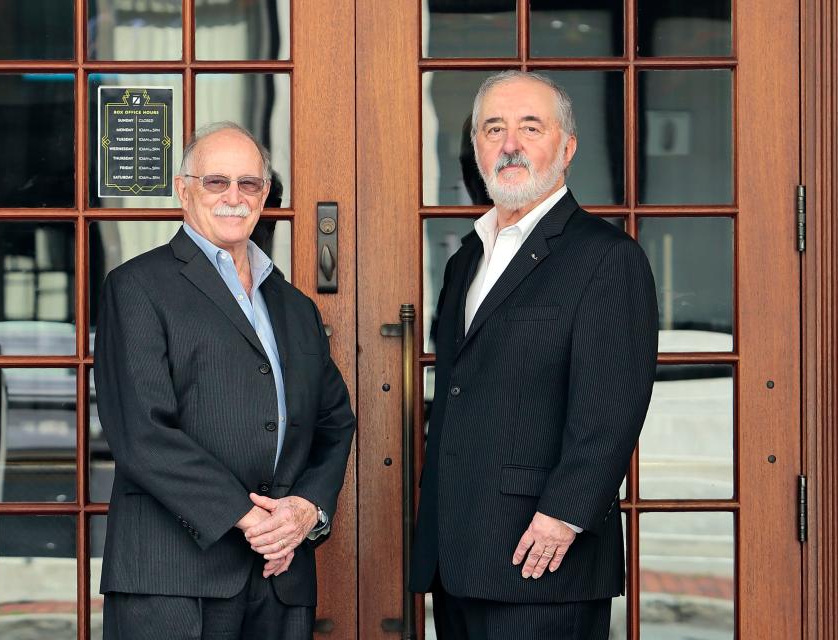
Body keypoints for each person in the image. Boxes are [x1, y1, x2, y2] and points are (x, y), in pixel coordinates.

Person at [409, 71, 659, 639]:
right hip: (458, 559)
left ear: (567, 148)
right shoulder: (464, 261)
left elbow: (611, 408)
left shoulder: (606, 258)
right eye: (493, 129)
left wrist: (563, 517)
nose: (510, 143)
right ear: (475, 148)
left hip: (544, 559)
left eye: (530, 127)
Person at [94, 121, 355, 639]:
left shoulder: (294, 305)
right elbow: (142, 434)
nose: (233, 197)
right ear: (183, 189)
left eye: (249, 184)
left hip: (280, 576)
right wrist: (250, 519)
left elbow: (334, 422)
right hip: (173, 579)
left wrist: (306, 509)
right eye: (216, 182)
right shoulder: (137, 287)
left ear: (263, 196)